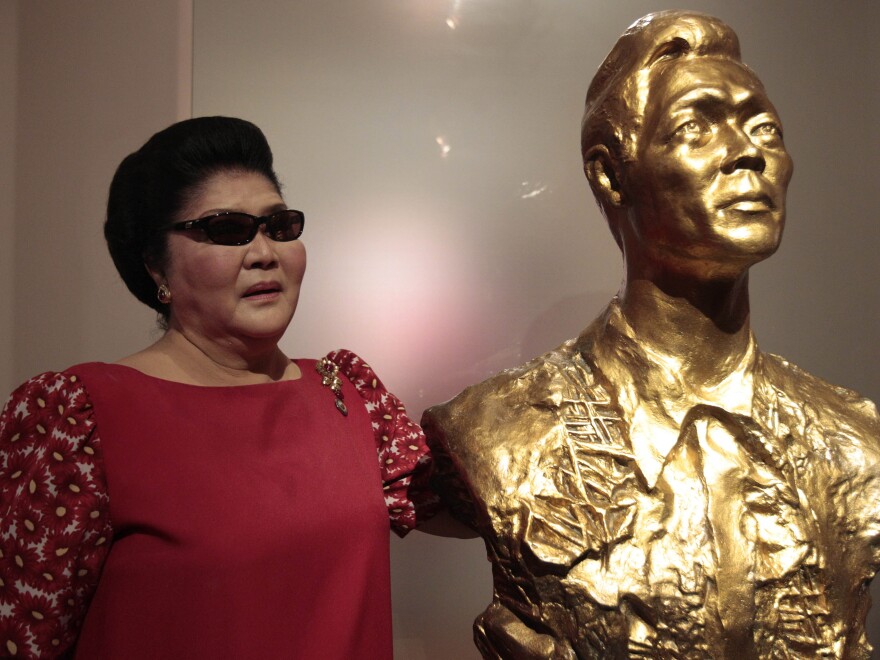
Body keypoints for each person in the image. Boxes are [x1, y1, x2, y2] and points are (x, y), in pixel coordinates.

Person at [422, 10, 880, 658]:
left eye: (765, 127)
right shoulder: (498, 430)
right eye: (696, 126)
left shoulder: (853, 442)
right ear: (611, 174)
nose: (748, 152)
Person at [0, 116, 437, 658]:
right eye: (228, 230)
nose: (263, 252)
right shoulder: (78, 416)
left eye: (280, 226)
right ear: (155, 266)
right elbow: (23, 634)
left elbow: (481, 507)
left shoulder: (348, 394)